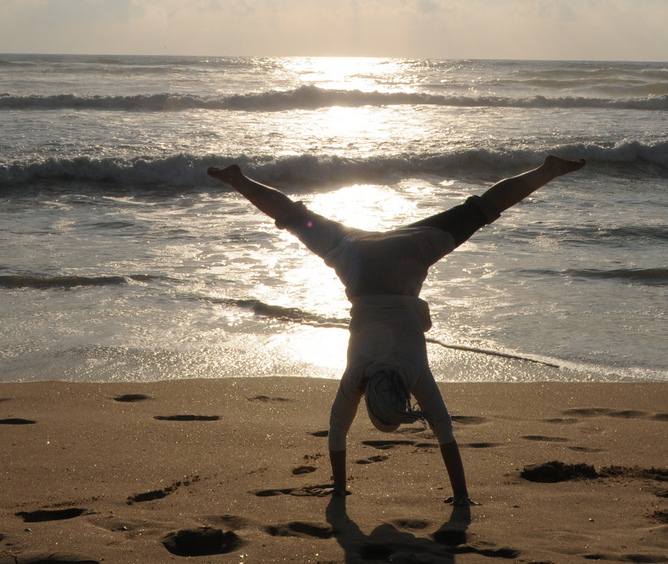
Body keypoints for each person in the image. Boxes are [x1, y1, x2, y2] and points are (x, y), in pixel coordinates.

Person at [207, 154, 586, 505]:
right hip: (352, 253)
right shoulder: (356, 377)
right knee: (292, 216)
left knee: (481, 210)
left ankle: (546, 171)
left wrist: (462, 496)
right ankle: (238, 179)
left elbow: (446, 435)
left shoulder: (415, 376)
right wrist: (339, 489)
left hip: (411, 250)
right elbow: (336, 435)